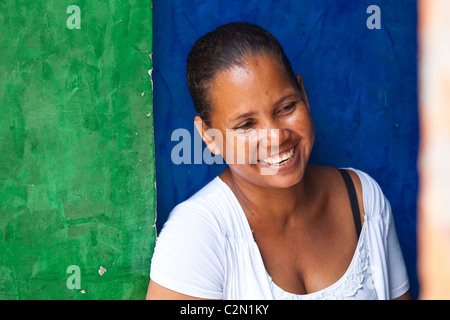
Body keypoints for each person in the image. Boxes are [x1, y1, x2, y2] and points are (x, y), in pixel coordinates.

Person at [146, 22, 410, 300]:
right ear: (209, 136)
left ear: (303, 95)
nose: (276, 137)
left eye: (286, 107)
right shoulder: (197, 236)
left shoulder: (363, 199)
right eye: (246, 125)